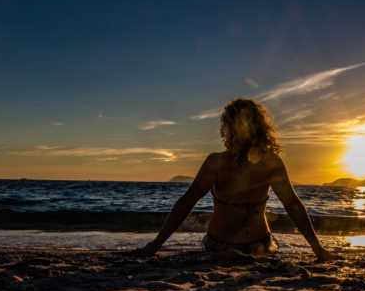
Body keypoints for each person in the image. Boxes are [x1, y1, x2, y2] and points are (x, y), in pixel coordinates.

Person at [140, 98, 334, 260]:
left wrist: (156, 244)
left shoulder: (216, 162)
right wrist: (317, 249)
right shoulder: (270, 162)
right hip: (259, 246)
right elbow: (292, 205)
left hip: (220, 247)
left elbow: (186, 202)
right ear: (261, 128)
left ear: (228, 127)